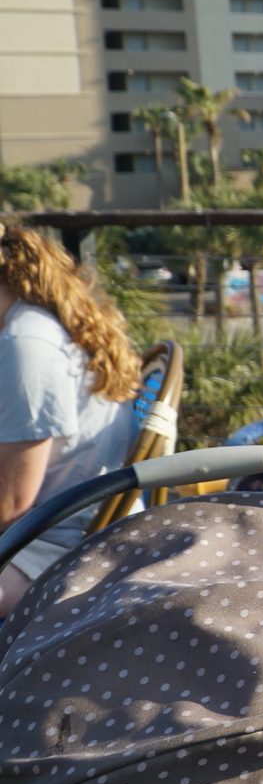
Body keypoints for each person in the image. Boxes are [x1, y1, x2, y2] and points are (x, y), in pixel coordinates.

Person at [0, 225, 142, 617]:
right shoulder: (33, 325)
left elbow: (10, 504)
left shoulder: (26, 345)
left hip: (57, 552)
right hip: (57, 531)